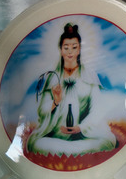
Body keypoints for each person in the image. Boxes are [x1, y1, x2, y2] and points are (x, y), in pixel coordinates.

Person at [26, 23, 116, 156]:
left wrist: (80, 128)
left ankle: (68, 150)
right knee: (36, 144)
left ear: (79, 49)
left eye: (74, 47)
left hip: (84, 135)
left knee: (108, 141)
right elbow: (42, 111)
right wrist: (55, 102)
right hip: (56, 134)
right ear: (61, 50)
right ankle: (75, 151)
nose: (70, 52)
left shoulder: (89, 76)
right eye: (66, 47)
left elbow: (97, 110)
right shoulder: (53, 78)